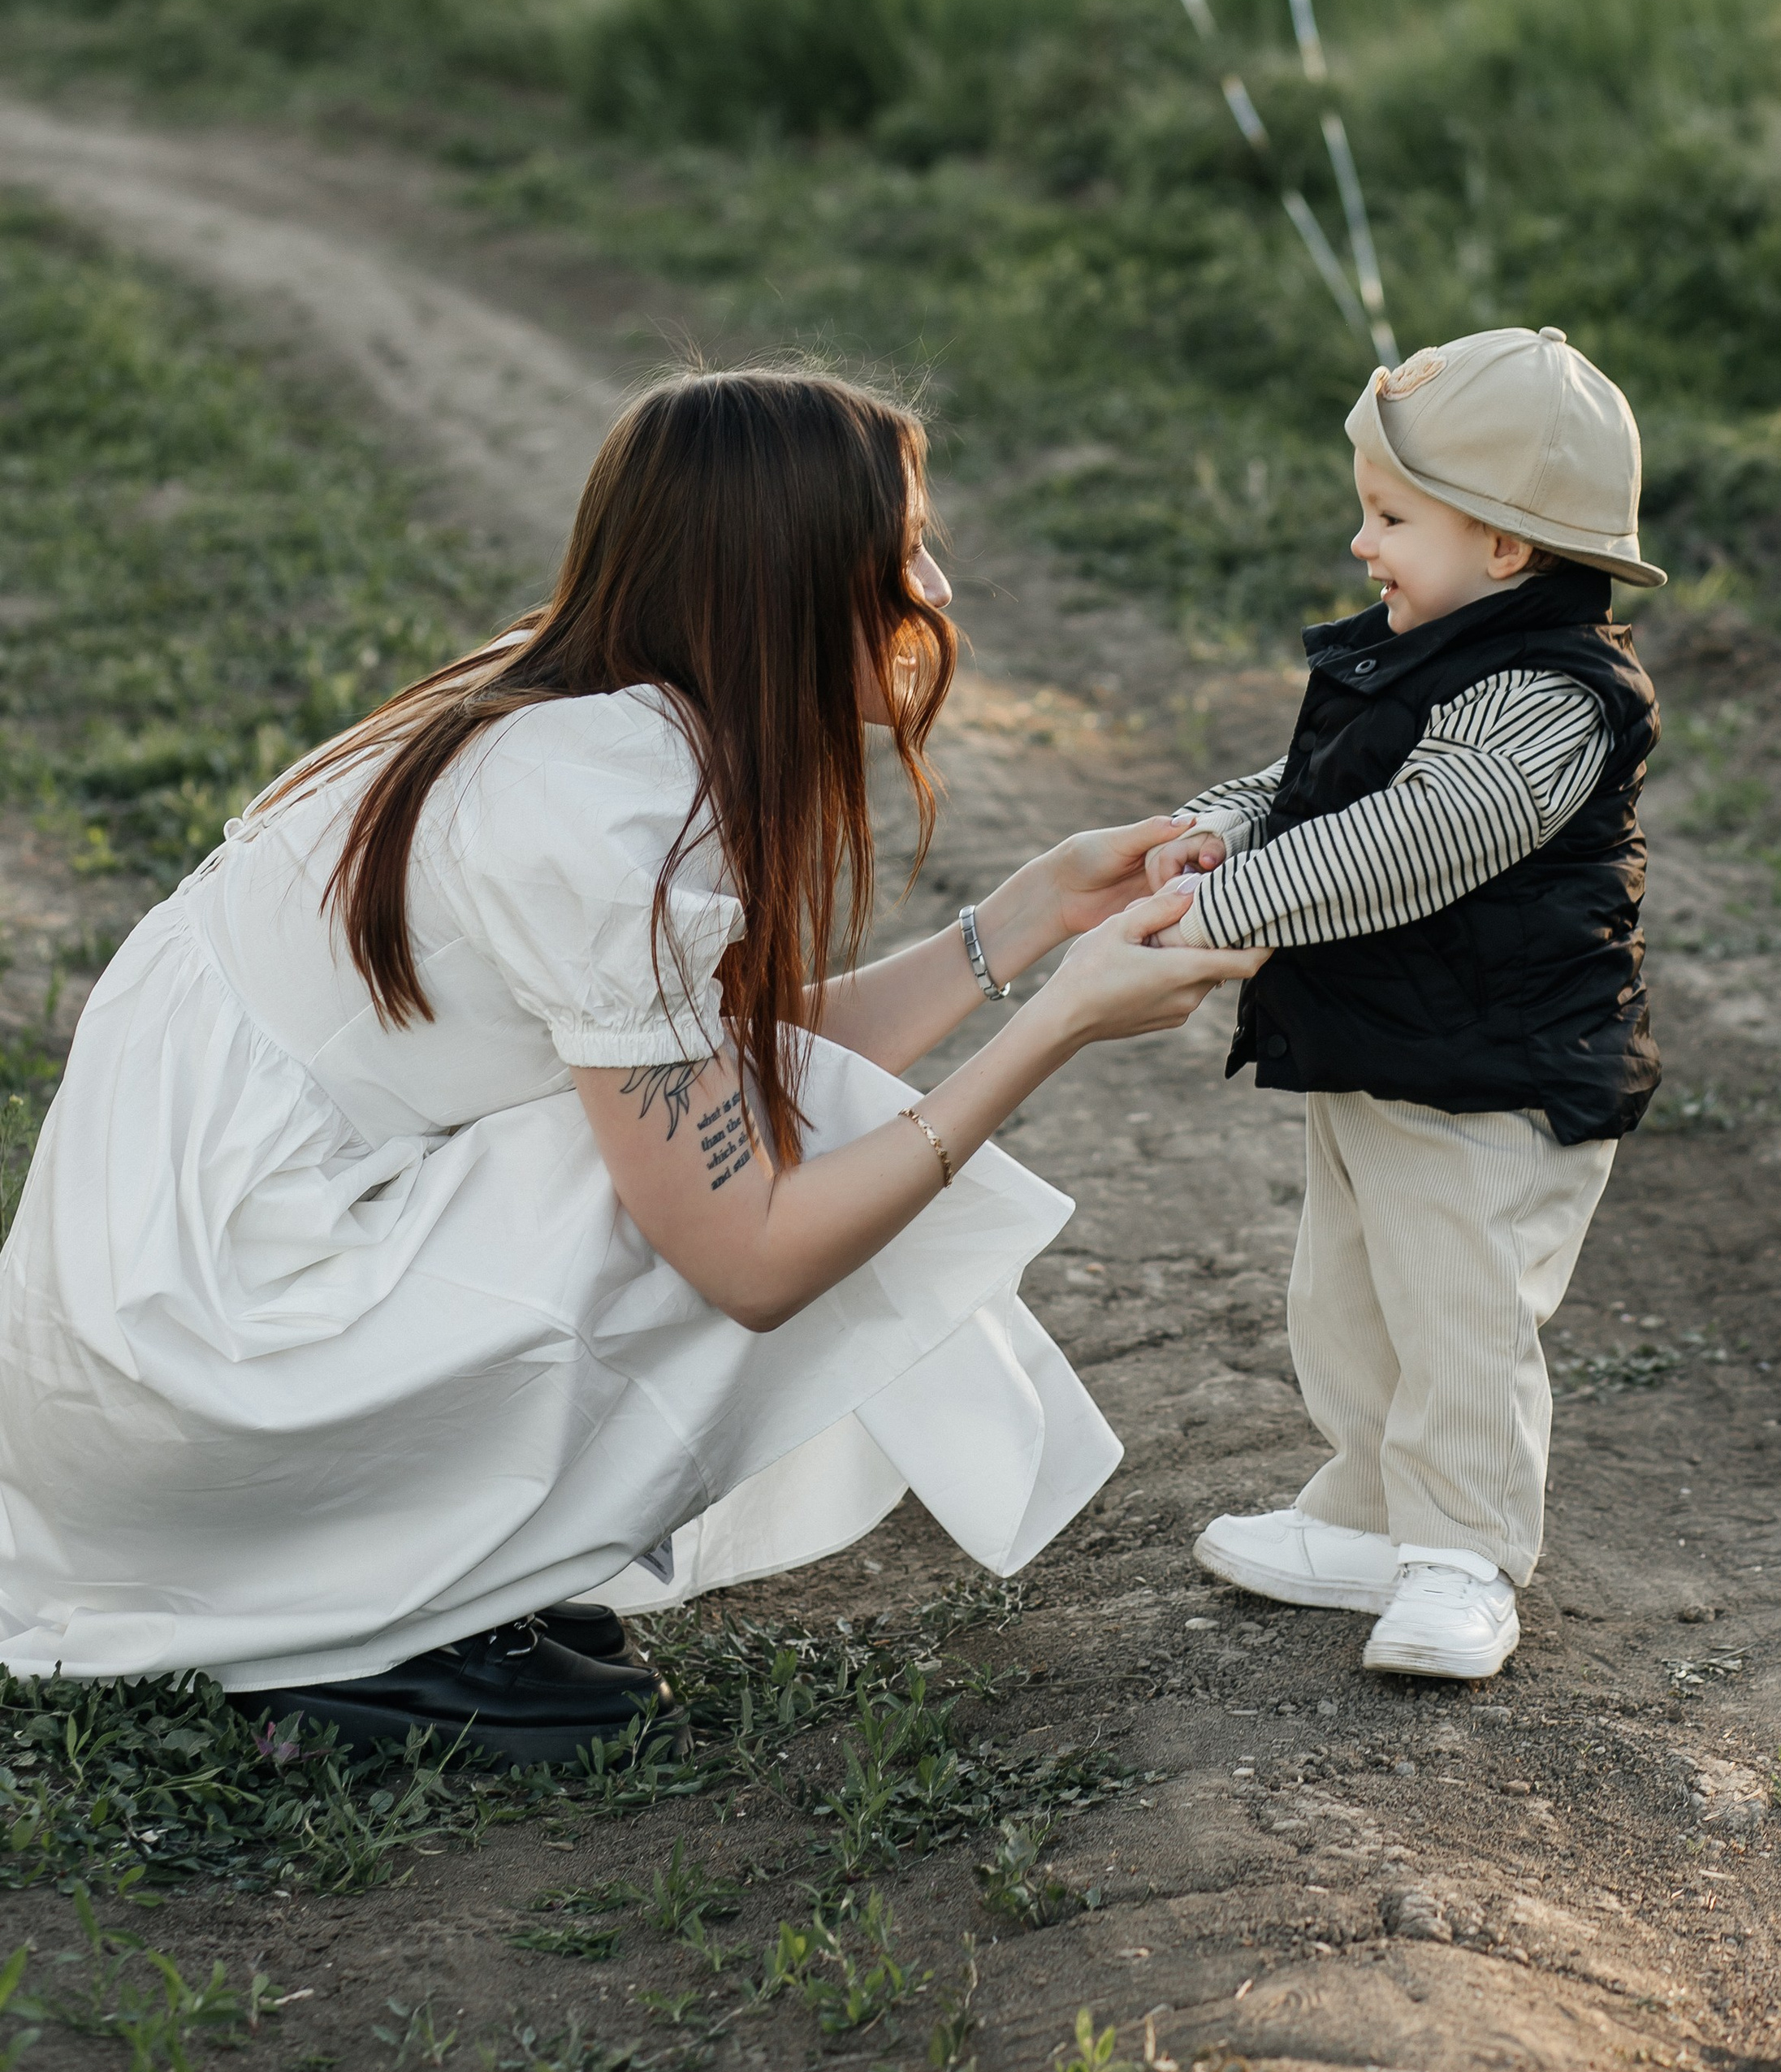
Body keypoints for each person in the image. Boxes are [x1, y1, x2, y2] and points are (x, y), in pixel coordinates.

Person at [0, 368, 1260, 1761]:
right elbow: (751, 1257)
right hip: (206, 1384)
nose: (940, 593)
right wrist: (1058, 1021)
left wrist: (1021, 921)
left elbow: (722, 1072)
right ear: (780, 582)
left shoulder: (579, 707)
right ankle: (355, 1615)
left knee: (741, 1131)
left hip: (175, 1343)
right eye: (902, 556)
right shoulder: (606, 817)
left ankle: (408, 1574)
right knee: (750, 1176)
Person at [1146, 327, 1664, 1681]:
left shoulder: (1556, 698)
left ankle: (1466, 1556)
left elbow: (1413, 837)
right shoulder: (1421, 650)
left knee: (1461, 1310)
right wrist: (1219, 825)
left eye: (1389, 517)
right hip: (1388, 1046)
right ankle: (1375, 1516)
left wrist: (1228, 911)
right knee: (1350, 1296)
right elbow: (1320, 781)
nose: (1362, 546)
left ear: (1505, 547)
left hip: (1497, 1067)